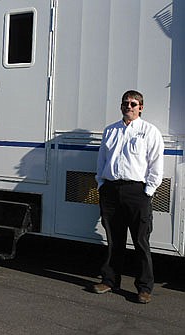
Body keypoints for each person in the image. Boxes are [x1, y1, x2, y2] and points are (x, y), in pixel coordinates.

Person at [93, 90, 164, 304]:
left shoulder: (149, 131)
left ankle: (144, 288)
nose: (129, 107)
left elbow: (156, 165)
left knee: (141, 241)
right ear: (121, 106)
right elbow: (102, 160)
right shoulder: (110, 131)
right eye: (126, 103)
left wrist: (148, 192)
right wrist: (101, 184)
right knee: (114, 241)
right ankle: (109, 280)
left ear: (141, 107)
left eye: (134, 103)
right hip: (111, 192)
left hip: (137, 193)